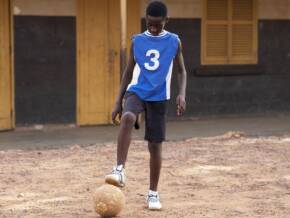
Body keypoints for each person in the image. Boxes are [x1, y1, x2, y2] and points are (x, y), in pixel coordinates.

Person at [105, 1, 187, 210]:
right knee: (128, 117)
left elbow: (181, 71)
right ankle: (119, 169)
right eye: (149, 23)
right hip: (137, 90)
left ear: (166, 21)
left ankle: (152, 193)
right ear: (146, 20)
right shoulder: (138, 41)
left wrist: (182, 94)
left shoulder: (174, 41)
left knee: (155, 146)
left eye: (157, 24)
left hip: (159, 96)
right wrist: (118, 100)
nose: (152, 27)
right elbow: (128, 71)